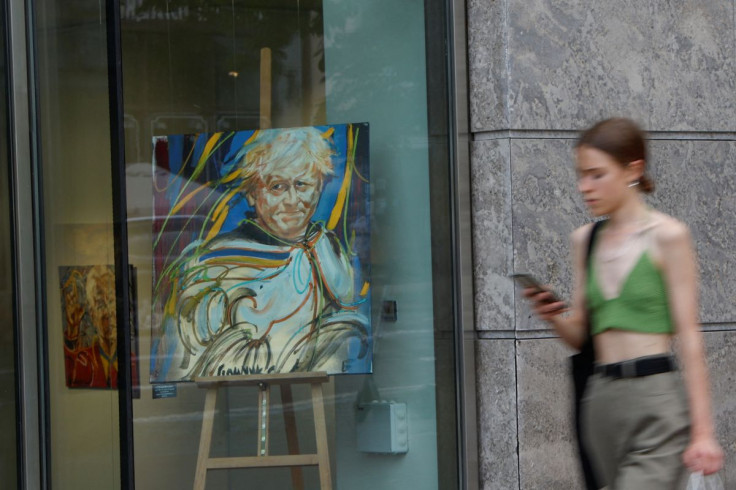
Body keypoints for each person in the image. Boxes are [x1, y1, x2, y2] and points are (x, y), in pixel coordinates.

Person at [524, 118, 723, 488]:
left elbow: (690, 338)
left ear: (634, 169)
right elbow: (579, 335)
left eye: (597, 175)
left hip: (656, 400)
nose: (585, 187)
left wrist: (704, 432)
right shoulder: (585, 240)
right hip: (600, 402)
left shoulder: (668, 236)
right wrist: (553, 316)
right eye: (581, 175)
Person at [151, 127, 369, 381]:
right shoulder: (211, 265)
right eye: (277, 186)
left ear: (319, 186)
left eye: (302, 184)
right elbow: (187, 360)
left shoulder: (330, 253)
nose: (291, 199)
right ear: (252, 194)